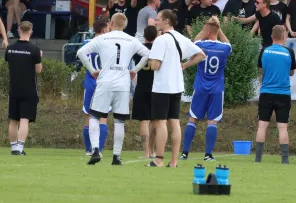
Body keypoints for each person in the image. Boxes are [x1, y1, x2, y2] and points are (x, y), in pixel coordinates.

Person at [76, 13, 151, 166]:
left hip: (105, 82)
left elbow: (80, 52)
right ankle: (116, 156)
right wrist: (134, 70)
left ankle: (96, 150)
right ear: (125, 25)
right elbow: (147, 54)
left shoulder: (102, 38)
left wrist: (92, 70)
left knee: (94, 117)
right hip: (122, 84)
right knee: (119, 121)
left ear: (111, 23)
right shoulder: (131, 40)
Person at [149, 10, 206, 168]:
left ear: (166, 21)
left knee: (160, 123)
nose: (155, 22)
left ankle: (159, 159)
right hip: (176, 86)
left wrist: (149, 62)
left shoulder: (161, 40)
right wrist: (184, 65)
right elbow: (201, 55)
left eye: (158, 19)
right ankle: (173, 161)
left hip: (162, 86)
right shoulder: (182, 38)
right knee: (174, 122)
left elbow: (155, 65)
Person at [181, 17, 232, 161]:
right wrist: (218, 27)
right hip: (216, 89)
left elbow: (196, 40)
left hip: (201, 88)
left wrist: (208, 28)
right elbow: (228, 43)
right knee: (212, 121)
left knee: (193, 119)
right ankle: (208, 155)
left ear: (208, 32)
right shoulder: (225, 48)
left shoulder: (200, 46)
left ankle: (185, 153)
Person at [255, 25, 296, 164]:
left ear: (272, 36)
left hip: (266, 92)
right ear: (284, 36)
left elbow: (261, 70)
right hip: (284, 93)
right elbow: (292, 72)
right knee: (283, 127)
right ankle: (285, 160)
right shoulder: (289, 52)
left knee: (262, 125)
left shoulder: (264, 51)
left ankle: (258, 158)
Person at [6, 21, 42, 156]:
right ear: (31, 32)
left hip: (14, 87)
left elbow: (10, 63)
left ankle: (13, 147)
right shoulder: (34, 50)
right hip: (29, 88)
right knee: (24, 119)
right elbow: (38, 70)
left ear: (18, 31)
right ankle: (20, 147)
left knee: (13, 119)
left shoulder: (10, 48)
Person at [80, 18, 111, 156]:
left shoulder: (86, 42)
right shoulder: (109, 44)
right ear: (104, 29)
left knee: (88, 116)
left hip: (90, 82)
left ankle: (88, 150)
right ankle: (99, 149)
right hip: (104, 82)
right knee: (102, 117)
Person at [132, 25, 158, 159]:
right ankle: (152, 151)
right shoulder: (159, 50)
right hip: (156, 89)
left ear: (144, 36)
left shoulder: (139, 51)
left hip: (141, 87)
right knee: (154, 121)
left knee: (144, 121)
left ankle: (146, 153)